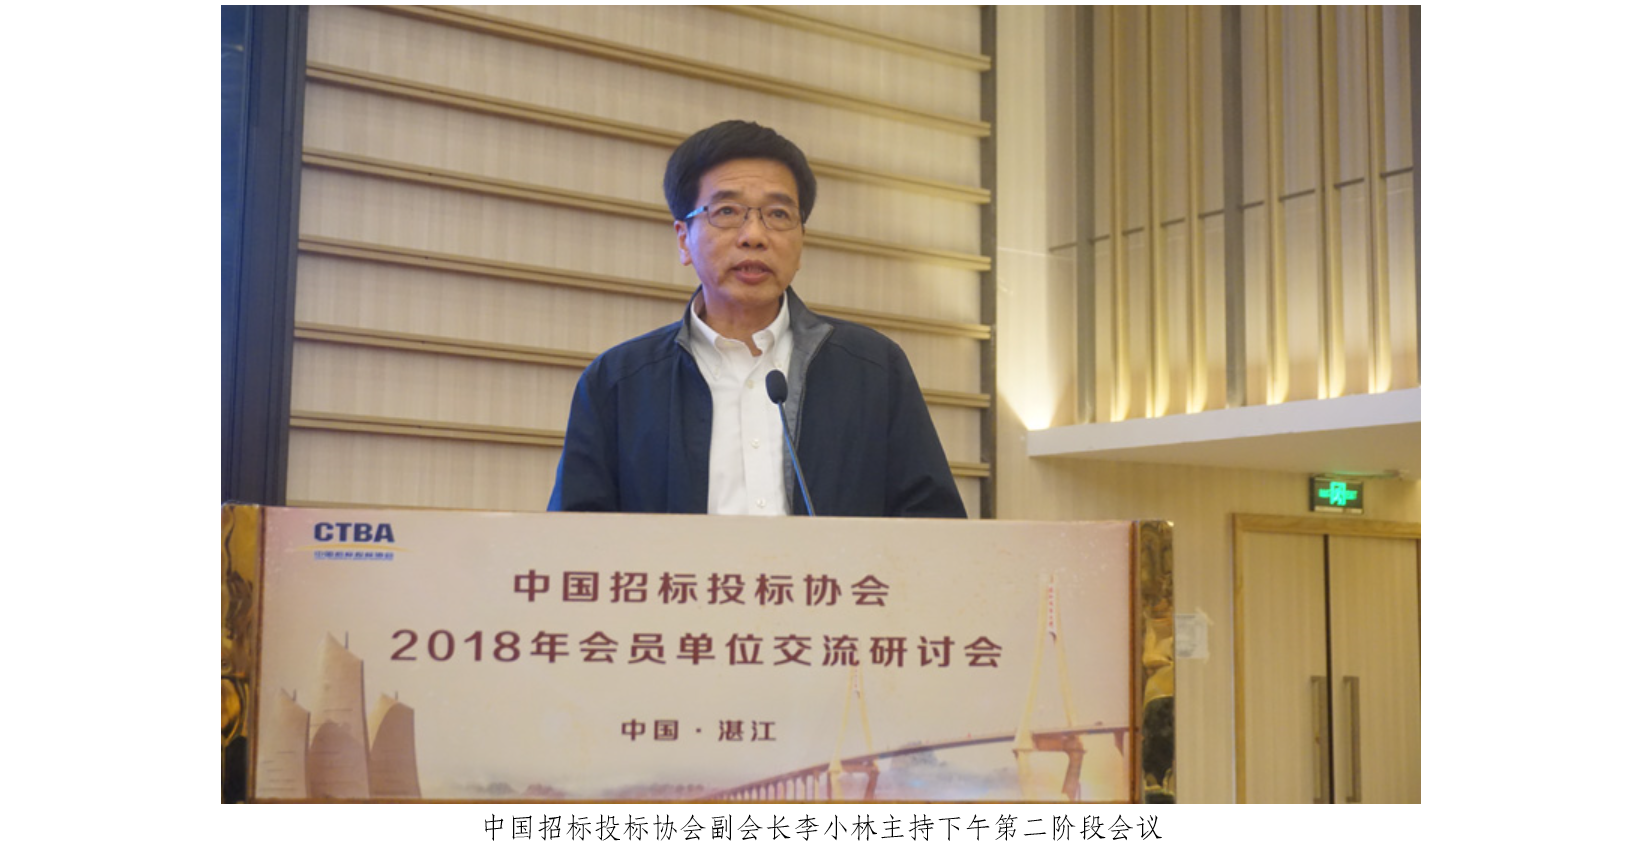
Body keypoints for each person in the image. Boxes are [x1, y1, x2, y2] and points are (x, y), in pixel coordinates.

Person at [548, 120, 965, 518]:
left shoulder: (872, 370)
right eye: (727, 211)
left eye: (779, 215)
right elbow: (575, 541)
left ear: (801, 243)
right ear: (683, 239)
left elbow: (932, 527)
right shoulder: (619, 383)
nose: (754, 235)